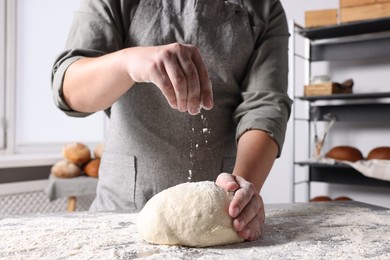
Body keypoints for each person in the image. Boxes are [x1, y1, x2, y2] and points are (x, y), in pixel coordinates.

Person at [51, 0, 292, 242]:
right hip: (119, 213)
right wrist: (127, 63)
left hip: (220, 217)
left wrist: (240, 193)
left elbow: (265, 105)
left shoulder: (264, 7)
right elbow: (69, 89)